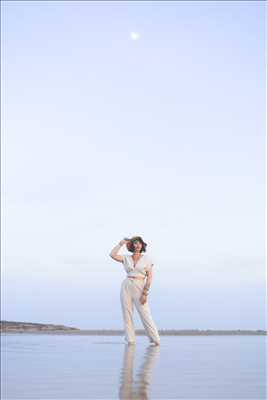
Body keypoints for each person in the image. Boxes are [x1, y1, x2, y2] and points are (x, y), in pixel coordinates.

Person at [109, 236, 160, 346]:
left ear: (142, 245)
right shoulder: (126, 258)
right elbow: (112, 255)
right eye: (135, 243)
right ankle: (130, 340)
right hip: (126, 285)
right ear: (132, 246)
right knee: (127, 313)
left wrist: (145, 293)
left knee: (145, 313)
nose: (137, 245)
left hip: (140, 285)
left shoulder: (147, 259)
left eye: (139, 243)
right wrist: (121, 243)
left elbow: (150, 277)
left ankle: (155, 339)